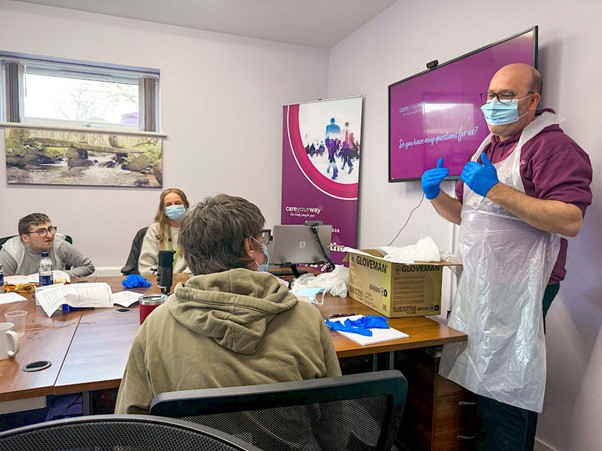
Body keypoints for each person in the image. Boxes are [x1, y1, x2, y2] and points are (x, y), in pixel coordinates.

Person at [421, 63, 592, 450]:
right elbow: (467, 216)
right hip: (484, 285)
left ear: (532, 101)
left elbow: (570, 219)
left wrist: (497, 191)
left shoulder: (553, 147)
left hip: (524, 289)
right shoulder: (489, 145)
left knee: (510, 387)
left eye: (505, 96)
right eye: (490, 95)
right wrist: (437, 198)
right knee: (482, 379)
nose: (493, 104)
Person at [115, 193, 341, 417]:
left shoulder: (156, 325)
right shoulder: (307, 318)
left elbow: (129, 423)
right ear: (249, 247)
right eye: (261, 238)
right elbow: (336, 418)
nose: (264, 245)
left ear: (188, 253)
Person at [0, 213, 94, 278]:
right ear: (25, 238)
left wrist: (61, 275)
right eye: (41, 231)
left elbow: (88, 266)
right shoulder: (10, 252)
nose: (50, 235)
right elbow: (2, 285)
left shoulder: (58, 243)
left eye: (50, 229)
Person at [138, 188, 190, 274]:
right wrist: (160, 281)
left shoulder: (196, 229)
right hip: (158, 282)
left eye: (178, 203)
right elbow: (146, 267)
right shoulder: (155, 229)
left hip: (186, 282)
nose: (173, 207)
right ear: (163, 209)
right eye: (169, 205)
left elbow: (199, 265)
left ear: (186, 205)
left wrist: (180, 279)